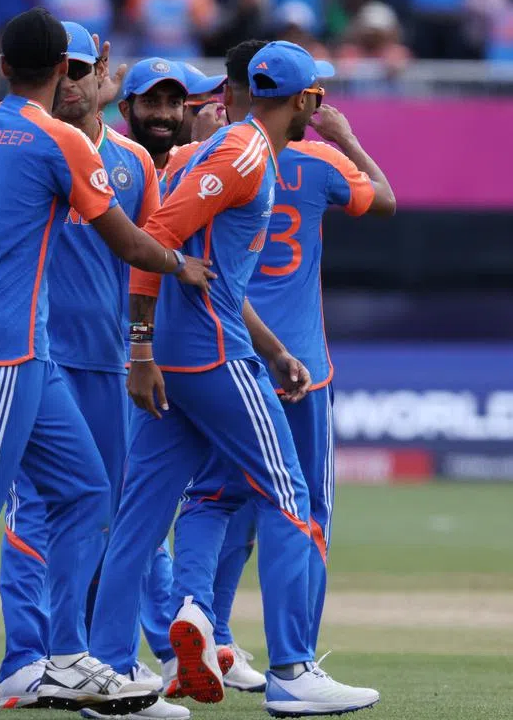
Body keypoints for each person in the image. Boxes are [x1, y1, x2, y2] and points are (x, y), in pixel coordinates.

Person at [0, 7, 214, 720]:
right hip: (1, 350)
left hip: (26, 349)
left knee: (86, 492)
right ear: (61, 70)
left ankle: (66, 659)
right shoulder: (64, 141)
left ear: (1, 67)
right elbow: (129, 243)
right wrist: (181, 264)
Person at [87, 41, 381, 718]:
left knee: (140, 519)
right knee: (290, 497)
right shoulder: (244, 155)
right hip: (213, 357)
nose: (319, 105)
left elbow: (189, 254)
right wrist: (140, 348)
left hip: (186, 356)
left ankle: (109, 676)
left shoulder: (233, 150)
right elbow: (157, 233)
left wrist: (264, 350)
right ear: (303, 100)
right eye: (317, 96)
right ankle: (292, 672)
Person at [168, 38, 396, 697]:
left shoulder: (204, 156)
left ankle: (202, 622)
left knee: (214, 497)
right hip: (298, 363)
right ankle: (296, 664)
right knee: (303, 508)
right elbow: (384, 200)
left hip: (221, 351)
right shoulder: (317, 161)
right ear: (300, 101)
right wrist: (346, 136)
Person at [0, 20, 188, 720]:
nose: (68, 82)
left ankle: (106, 666)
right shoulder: (24, 147)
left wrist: (143, 351)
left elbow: (148, 263)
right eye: (60, 69)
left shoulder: (134, 162)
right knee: (34, 511)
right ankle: (25, 663)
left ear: (102, 67)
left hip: (109, 365)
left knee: (110, 517)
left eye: (79, 68)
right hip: (37, 357)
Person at [117, 57, 221, 189]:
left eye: (174, 103)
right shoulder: (106, 161)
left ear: (183, 110)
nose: (163, 115)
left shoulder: (191, 161)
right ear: (125, 110)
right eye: (150, 102)